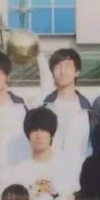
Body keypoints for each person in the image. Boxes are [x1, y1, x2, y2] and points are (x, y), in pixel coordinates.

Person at [11, 107, 76, 200]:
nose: (39, 135)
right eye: (34, 130)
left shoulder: (67, 167)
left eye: (44, 130)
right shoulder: (18, 171)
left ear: (51, 133)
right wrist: (33, 191)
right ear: (28, 134)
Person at [36, 48, 92, 184]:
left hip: (80, 180)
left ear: (77, 72)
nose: (62, 71)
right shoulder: (43, 108)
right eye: (57, 67)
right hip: (47, 180)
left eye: (67, 66)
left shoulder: (89, 111)